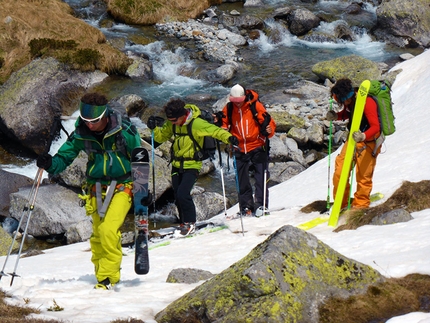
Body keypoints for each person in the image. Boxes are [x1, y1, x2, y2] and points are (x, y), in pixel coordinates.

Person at [36, 92, 141, 290]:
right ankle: (102, 278)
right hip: (95, 188)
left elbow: (140, 159)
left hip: (123, 185)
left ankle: (111, 278)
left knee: (109, 230)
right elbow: (63, 159)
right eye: (86, 120)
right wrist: (50, 164)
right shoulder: (81, 134)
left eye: (94, 120)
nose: (90, 125)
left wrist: (142, 189)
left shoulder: (124, 130)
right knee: (98, 236)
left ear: (105, 116)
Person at [147, 98, 236, 235]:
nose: (172, 124)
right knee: (177, 195)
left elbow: (215, 131)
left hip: (192, 164)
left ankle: (190, 223)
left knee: (183, 194)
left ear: (182, 115)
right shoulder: (173, 124)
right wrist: (153, 127)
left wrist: (229, 138)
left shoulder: (197, 124)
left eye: (174, 120)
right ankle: (183, 222)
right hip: (176, 164)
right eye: (170, 121)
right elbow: (160, 138)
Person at [216, 84, 276, 216]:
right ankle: (246, 207)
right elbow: (224, 123)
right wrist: (222, 127)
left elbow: (268, 121)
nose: (237, 104)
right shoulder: (229, 107)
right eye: (234, 101)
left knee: (261, 177)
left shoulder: (255, 106)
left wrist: (269, 131)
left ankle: (261, 206)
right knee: (241, 179)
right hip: (239, 148)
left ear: (244, 97)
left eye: (239, 101)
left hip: (258, 146)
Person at [327, 78, 381, 209]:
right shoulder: (349, 100)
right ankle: (341, 203)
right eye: (341, 101)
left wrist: (363, 136)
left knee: (363, 177)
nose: (344, 102)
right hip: (352, 140)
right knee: (340, 172)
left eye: (345, 100)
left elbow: (376, 127)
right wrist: (336, 116)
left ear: (350, 94)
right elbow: (349, 114)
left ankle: (360, 206)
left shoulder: (366, 101)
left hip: (369, 142)